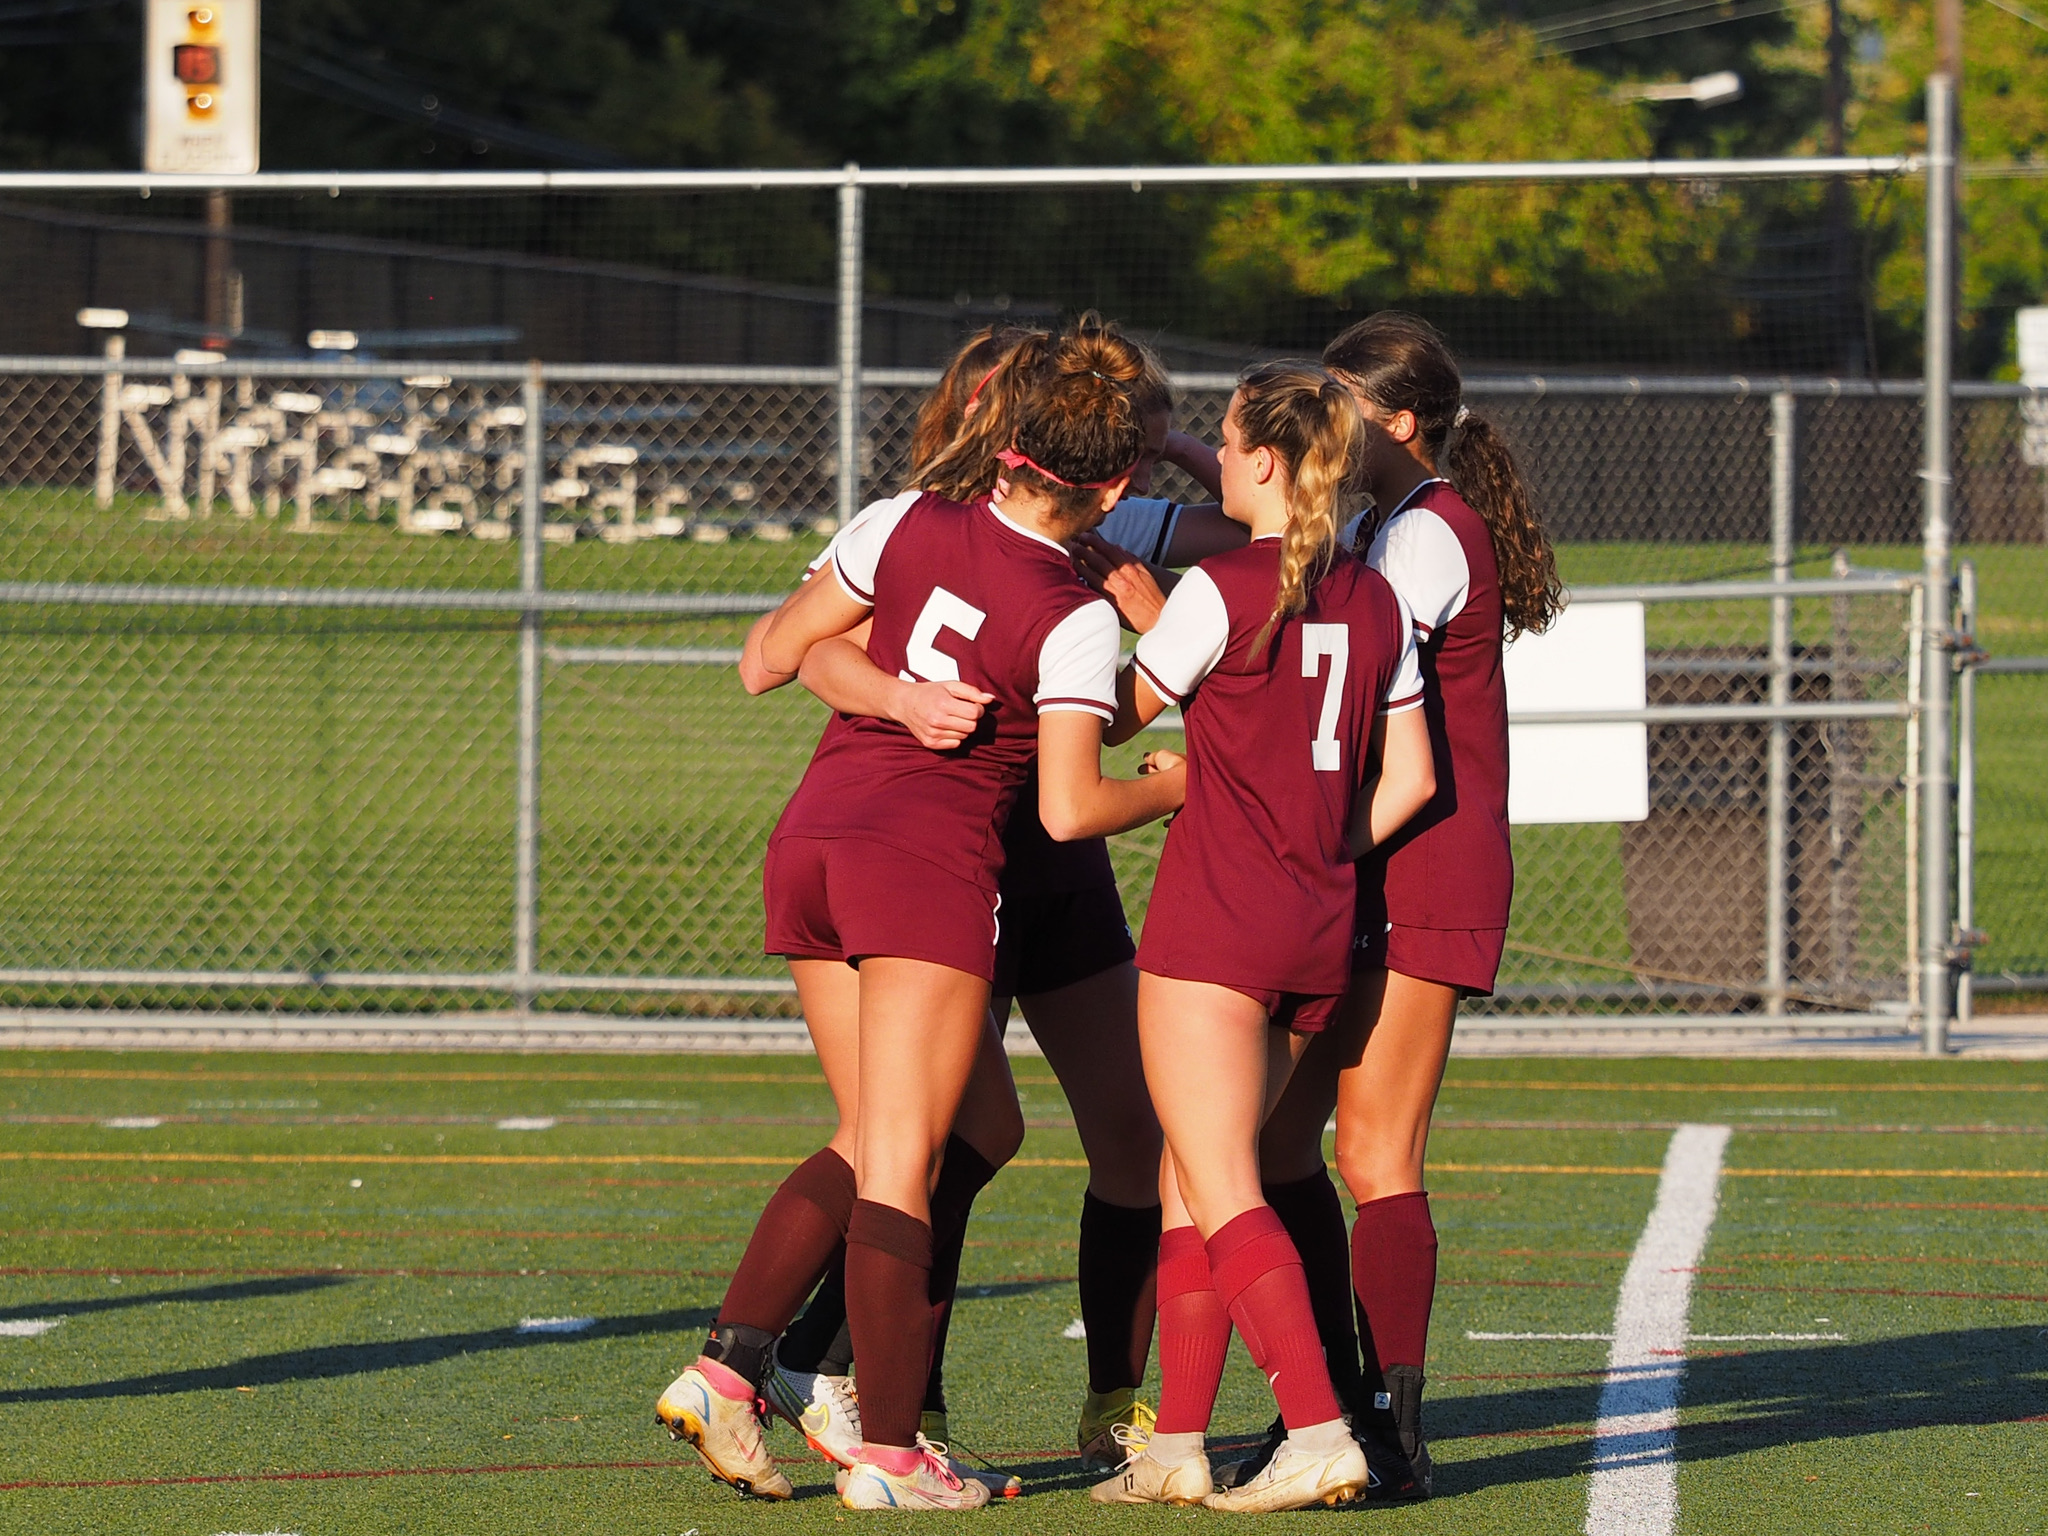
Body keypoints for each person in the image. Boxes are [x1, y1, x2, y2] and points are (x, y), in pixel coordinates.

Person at [657, 333, 1188, 1512]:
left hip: (816, 838)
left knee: (920, 1133)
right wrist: (1173, 786)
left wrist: (893, 692)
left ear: (1006, 445)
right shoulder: (1073, 607)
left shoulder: (897, 520)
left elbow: (765, 661)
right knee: (899, 1151)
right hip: (930, 862)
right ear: (1111, 486)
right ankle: (885, 1448)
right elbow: (1070, 800)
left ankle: (738, 1367)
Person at [1088, 361, 1435, 1513]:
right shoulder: (1372, 596)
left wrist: (1131, 632)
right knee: (1197, 1184)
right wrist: (1326, 846)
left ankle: (1318, 1427)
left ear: (1269, 465)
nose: (1214, 461)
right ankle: (1177, 1441)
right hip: (1316, 925)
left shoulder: (1223, 587)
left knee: (1222, 1185)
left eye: (1229, 446)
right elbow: (1411, 779)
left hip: (1215, 925)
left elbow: (1108, 718)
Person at [1234, 312, 1565, 1499]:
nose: (1321, 423)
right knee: (1272, 1140)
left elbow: (1361, 685)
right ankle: (1330, 1405)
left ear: (1400, 422)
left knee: (1374, 1151)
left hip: (1422, 860)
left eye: (1342, 403)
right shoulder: (1375, 522)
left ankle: (1392, 1430)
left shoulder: (1426, 534)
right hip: (1358, 858)